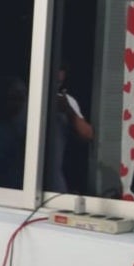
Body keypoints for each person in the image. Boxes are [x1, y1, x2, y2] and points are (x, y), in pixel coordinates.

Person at [45, 65, 95, 193]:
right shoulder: (26, 95)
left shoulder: (67, 100)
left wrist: (67, 110)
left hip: (55, 181)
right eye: (57, 69)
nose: (59, 76)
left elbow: (88, 134)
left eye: (62, 70)